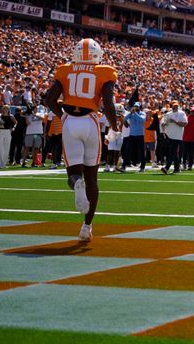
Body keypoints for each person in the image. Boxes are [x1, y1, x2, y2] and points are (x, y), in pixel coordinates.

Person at [45, 38, 118, 242]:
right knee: (92, 179)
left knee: (74, 174)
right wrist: (115, 126)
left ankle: (76, 182)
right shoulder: (105, 71)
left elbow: (49, 99)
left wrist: (63, 116)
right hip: (90, 122)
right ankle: (86, 227)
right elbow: (109, 104)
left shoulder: (65, 70)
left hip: (70, 122)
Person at [161, 101, 187, 173]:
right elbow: (163, 122)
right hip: (169, 135)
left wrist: (175, 121)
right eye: (174, 105)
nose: (175, 107)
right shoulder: (168, 114)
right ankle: (177, 168)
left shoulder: (182, 113)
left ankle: (167, 167)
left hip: (178, 136)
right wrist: (163, 123)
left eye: (176, 105)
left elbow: (185, 124)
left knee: (172, 152)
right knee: (174, 152)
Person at [124, 102, 146, 172]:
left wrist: (135, 113)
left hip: (140, 135)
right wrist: (130, 113)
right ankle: (123, 166)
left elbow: (142, 120)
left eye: (137, 106)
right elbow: (125, 118)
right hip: (132, 135)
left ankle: (142, 167)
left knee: (141, 151)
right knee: (127, 151)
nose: (135, 107)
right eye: (135, 106)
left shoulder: (142, 113)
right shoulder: (131, 114)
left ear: (139, 107)